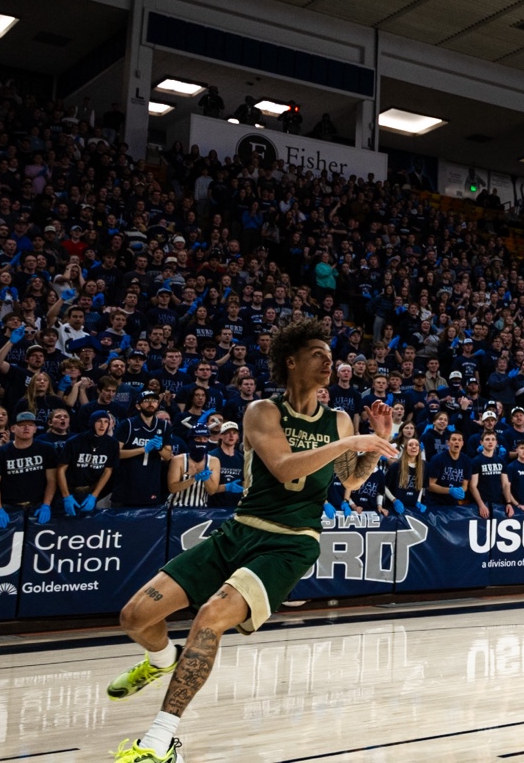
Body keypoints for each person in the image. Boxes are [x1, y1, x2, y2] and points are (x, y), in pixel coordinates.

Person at [107, 318, 398, 763]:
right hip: (239, 530)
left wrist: (378, 444)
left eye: (331, 356)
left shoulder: (339, 421)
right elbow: (284, 467)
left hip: (290, 543)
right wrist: (353, 442)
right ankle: (164, 658)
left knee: (210, 617)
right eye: (318, 354)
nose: (328, 362)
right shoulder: (262, 410)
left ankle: (161, 742)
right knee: (133, 616)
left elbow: (352, 482)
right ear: (292, 361)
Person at [0, 411, 56, 526]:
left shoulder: (46, 449)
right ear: (13, 428)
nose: (26, 428)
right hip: (9, 507)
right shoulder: (1, 453)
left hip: (37, 505)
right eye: (22, 424)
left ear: (35, 429)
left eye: (31, 425)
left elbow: (52, 480)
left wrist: (46, 505)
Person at [58, 409, 120, 512]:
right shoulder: (74, 442)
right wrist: (66, 497)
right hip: (71, 490)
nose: (102, 425)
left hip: (93, 490)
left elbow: (108, 470)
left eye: (106, 422)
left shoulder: (112, 443)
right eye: (99, 421)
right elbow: (61, 469)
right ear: (92, 422)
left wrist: (94, 495)